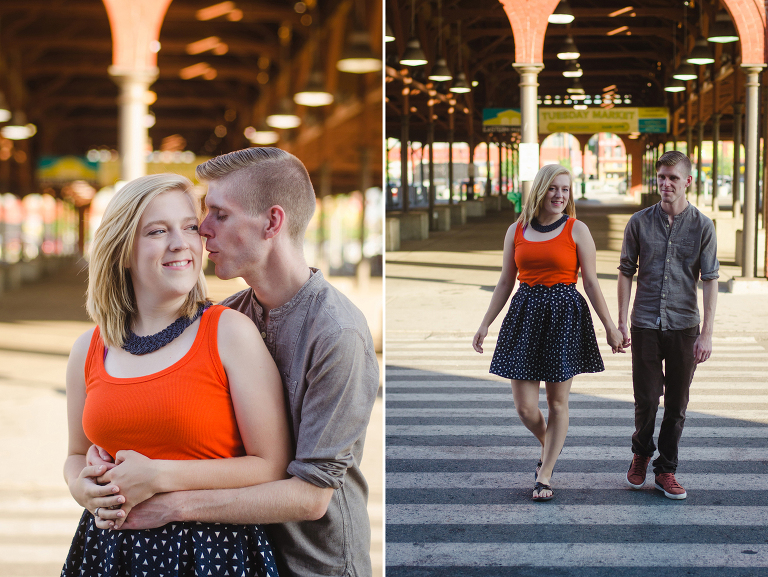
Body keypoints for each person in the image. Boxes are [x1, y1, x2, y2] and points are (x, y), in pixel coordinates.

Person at [90, 148, 380, 577]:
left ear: (272, 223)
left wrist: (171, 506)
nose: (201, 231)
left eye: (218, 215)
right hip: (247, 555)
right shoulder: (232, 315)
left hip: (317, 565)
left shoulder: (339, 334)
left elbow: (311, 496)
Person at [62, 173, 292, 576]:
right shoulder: (88, 349)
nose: (181, 243)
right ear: (122, 250)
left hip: (212, 553)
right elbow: (76, 455)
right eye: (156, 231)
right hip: (110, 553)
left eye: (189, 226)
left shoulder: (228, 333)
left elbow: (271, 465)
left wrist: (158, 475)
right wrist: (81, 488)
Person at [472, 164, 624, 502]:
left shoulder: (577, 229)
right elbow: (504, 282)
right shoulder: (517, 230)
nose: (560, 195)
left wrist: (610, 327)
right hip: (524, 313)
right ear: (541, 190)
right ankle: (549, 446)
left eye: (566, 190)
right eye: (554, 188)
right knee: (525, 408)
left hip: (564, 315)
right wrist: (485, 322)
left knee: (558, 403)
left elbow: (592, 283)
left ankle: (545, 473)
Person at [620, 150, 718, 500]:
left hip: (684, 327)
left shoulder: (703, 226)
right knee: (646, 399)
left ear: (688, 181)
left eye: (673, 178)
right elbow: (625, 271)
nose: (665, 183)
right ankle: (641, 452)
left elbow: (710, 279)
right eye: (661, 177)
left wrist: (706, 333)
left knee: (677, 405)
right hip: (645, 322)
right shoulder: (639, 222)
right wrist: (620, 321)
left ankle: (667, 470)